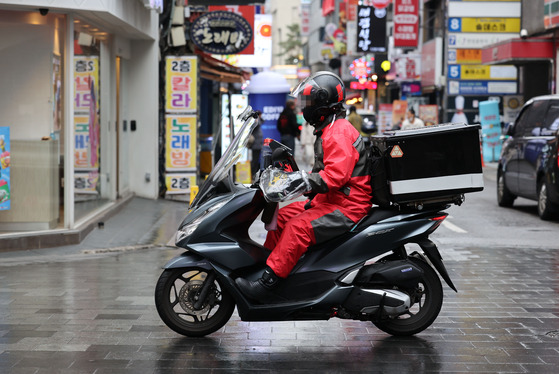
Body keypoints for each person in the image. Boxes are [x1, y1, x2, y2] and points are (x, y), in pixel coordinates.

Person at [236, 71, 373, 301]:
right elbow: (323, 174)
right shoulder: (328, 129)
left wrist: (301, 180)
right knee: (281, 218)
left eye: (309, 102)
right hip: (330, 201)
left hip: (347, 206)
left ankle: (269, 283)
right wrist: (292, 179)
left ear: (323, 103)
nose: (304, 108)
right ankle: (268, 266)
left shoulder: (338, 132)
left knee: (297, 228)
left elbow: (335, 177)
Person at [250, 110, 264, 176]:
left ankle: (254, 173)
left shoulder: (257, 120)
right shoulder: (255, 121)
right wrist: (257, 118)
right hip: (256, 144)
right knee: (254, 160)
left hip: (258, 144)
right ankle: (252, 173)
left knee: (256, 160)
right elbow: (258, 124)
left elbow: (263, 121)